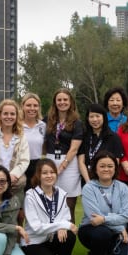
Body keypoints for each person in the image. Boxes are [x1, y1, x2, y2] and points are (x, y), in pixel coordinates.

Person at [78, 151, 128, 255]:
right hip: (92, 230)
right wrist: (120, 227)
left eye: (110, 166)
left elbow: (126, 215)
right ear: (95, 168)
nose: (106, 169)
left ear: (115, 168)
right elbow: (95, 219)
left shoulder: (123, 187)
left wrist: (104, 219)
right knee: (102, 232)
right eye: (102, 166)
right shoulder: (89, 188)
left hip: (115, 233)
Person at [23, 159, 77, 255]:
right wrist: (62, 225)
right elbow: (36, 228)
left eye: (52, 172)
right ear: (38, 175)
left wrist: (63, 227)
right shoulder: (30, 196)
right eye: (45, 173)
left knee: (69, 236)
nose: (49, 175)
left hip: (51, 239)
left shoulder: (61, 193)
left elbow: (66, 217)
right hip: (34, 243)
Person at [44, 89, 83, 220]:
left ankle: (69, 234)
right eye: (59, 100)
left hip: (69, 164)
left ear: (70, 102)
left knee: (69, 203)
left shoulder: (77, 123)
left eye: (65, 99)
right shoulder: (48, 120)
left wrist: (62, 166)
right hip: (50, 161)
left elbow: (74, 149)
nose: (62, 102)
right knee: (50, 199)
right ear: (55, 102)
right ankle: (52, 233)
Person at [0, 99, 30, 198]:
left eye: (12, 114)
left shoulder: (21, 137)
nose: (9, 117)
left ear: (17, 116)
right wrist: (0, 175)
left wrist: (12, 175)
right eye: (5, 114)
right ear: (0, 115)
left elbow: (24, 160)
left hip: (14, 182)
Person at [79, 103, 124, 184]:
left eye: (97, 116)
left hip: (107, 181)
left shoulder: (113, 137)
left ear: (104, 117)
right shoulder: (84, 136)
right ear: (87, 119)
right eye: (91, 116)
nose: (95, 120)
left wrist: (106, 180)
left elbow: (116, 162)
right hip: (87, 181)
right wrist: (88, 182)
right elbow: (81, 161)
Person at [21, 93, 46, 189]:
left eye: (35, 105)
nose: (32, 108)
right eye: (28, 105)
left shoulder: (43, 125)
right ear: (22, 106)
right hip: (20, 165)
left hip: (37, 166)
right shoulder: (17, 125)